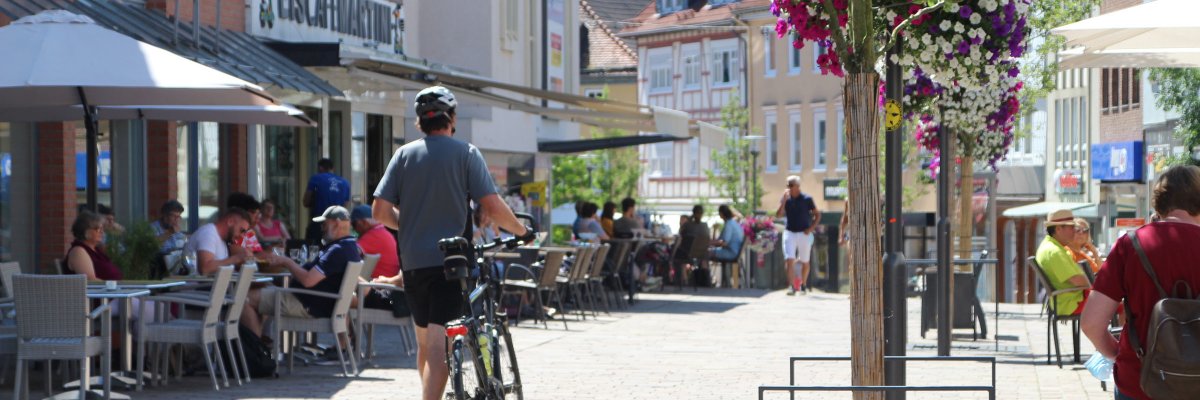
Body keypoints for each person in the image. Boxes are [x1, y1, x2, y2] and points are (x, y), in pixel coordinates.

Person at [371, 85, 533, 400]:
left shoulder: (403, 155)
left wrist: (411, 226)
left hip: (414, 262)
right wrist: (522, 232)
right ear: (452, 118)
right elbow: (493, 205)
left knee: (425, 343)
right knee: (439, 345)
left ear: (420, 122)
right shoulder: (465, 153)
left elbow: (379, 210)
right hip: (452, 263)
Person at [1082, 165, 1200, 400]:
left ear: (1159, 202)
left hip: (1140, 379)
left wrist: (1118, 354)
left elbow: (1091, 323)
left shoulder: (1131, 245)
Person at [245, 206, 359, 359]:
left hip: (308, 304)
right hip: (322, 303)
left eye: (324, 224)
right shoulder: (350, 246)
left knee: (244, 298)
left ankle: (255, 354)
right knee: (264, 291)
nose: (322, 228)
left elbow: (307, 281)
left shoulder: (336, 250)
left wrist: (287, 262)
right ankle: (262, 344)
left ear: (337, 223)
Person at [1034, 209, 1090, 316]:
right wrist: (1098, 285)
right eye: (1071, 227)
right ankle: (1122, 333)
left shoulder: (1049, 246)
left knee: (1113, 299)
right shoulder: (1054, 252)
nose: (1075, 231)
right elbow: (1078, 281)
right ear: (1058, 229)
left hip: (1067, 300)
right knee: (1118, 303)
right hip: (1071, 302)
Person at [776, 175, 820, 295]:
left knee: (805, 261)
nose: (788, 188)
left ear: (797, 186)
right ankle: (791, 286)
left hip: (803, 233)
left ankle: (803, 284)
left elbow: (817, 214)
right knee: (789, 259)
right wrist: (784, 200)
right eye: (787, 185)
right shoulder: (786, 199)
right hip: (789, 232)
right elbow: (778, 215)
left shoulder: (807, 199)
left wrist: (811, 228)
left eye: (790, 185)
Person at [184, 208, 253, 276]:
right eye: (242, 231)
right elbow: (204, 269)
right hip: (197, 286)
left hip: (210, 286)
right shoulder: (208, 234)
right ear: (230, 222)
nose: (242, 236)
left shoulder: (222, 239)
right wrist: (236, 258)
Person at [64, 211, 122, 280]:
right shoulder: (78, 252)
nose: (102, 232)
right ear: (86, 231)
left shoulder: (96, 250)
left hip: (112, 289)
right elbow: (91, 281)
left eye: (102, 229)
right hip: (99, 290)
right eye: (98, 229)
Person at [304, 158, 350, 245]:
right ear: (332, 168)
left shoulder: (316, 178)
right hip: (338, 223)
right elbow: (345, 204)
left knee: (313, 247)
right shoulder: (345, 183)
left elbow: (306, 201)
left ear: (320, 168)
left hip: (319, 221)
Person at [350, 204, 401, 280]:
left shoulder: (372, 235)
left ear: (363, 222)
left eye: (354, 225)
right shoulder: (381, 231)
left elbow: (350, 252)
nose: (354, 230)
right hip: (387, 281)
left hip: (381, 284)